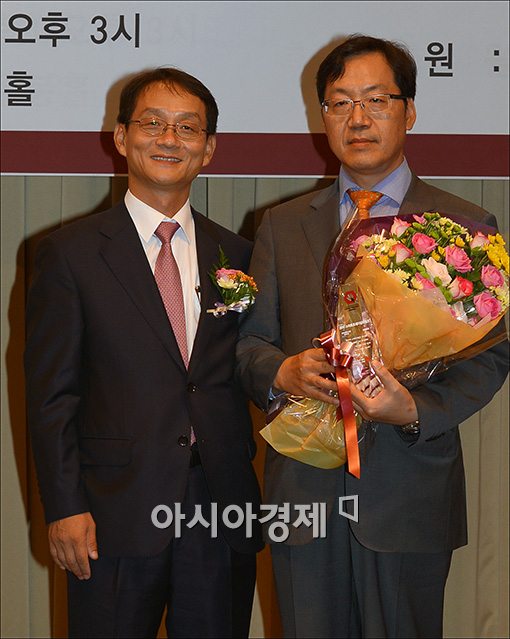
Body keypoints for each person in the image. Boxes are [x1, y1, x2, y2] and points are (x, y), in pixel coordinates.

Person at [236, 35, 509, 638]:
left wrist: (412, 408)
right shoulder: (280, 225)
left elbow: (491, 357)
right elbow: (248, 343)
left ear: (409, 111)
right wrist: (282, 372)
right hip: (304, 490)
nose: (357, 118)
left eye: (376, 100)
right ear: (323, 117)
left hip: (410, 489)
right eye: (340, 103)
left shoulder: (464, 226)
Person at [25, 67, 262, 638]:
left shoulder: (240, 254)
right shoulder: (69, 254)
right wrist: (64, 506)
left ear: (209, 148)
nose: (169, 139)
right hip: (111, 511)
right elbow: (52, 396)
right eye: (152, 123)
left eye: (187, 128)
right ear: (121, 136)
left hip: (219, 505)